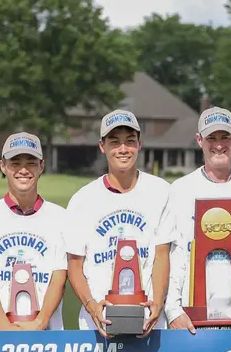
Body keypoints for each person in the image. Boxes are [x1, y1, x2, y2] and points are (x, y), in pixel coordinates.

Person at [163, 106, 231, 334]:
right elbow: (175, 255)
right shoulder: (179, 190)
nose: (219, 144)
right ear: (199, 140)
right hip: (191, 317)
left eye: (225, 137)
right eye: (211, 137)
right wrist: (173, 310)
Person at [64, 109, 173, 338]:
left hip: (148, 320)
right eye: (115, 142)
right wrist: (91, 305)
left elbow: (161, 255)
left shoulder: (161, 191)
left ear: (139, 144)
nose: (123, 149)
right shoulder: (82, 200)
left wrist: (158, 303)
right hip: (97, 324)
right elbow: (75, 265)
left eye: (130, 141)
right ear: (102, 146)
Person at [0, 132, 68, 331]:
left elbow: (59, 278)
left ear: (41, 166)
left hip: (46, 336)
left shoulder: (61, 217)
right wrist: (4, 326)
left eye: (31, 163)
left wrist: (41, 322)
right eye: (15, 163)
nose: (23, 170)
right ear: (3, 166)